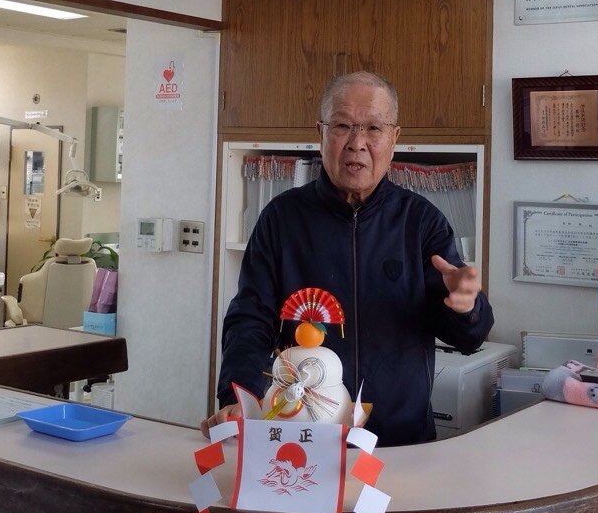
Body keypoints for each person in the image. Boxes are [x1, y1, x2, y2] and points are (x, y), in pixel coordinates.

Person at [201, 71, 493, 446]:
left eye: (373, 128)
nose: (357, 144)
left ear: (394, 138)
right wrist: (239, 394)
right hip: (302, 438)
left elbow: (468, 338)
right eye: (342, 126)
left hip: (401, 440)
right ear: (320, 133)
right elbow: (250, 319)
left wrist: (466, 307)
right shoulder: (282, 218)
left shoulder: (421, 221)